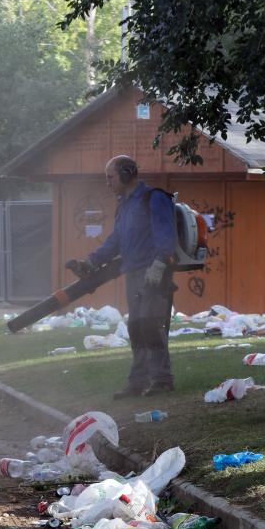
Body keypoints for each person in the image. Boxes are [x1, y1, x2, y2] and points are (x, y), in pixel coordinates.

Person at [73, 155, 177, 399]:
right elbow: (116, 241)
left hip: (154, 273)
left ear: (127, 174)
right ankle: (138, 382)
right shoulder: (125, 205)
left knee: (150, 325)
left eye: (110, 177)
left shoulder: (154, 198)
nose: (107, 183)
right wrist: (91, 261)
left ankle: (162, 380)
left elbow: (167, 235)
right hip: (133, 273)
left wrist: (160, 264)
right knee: (136, 327)